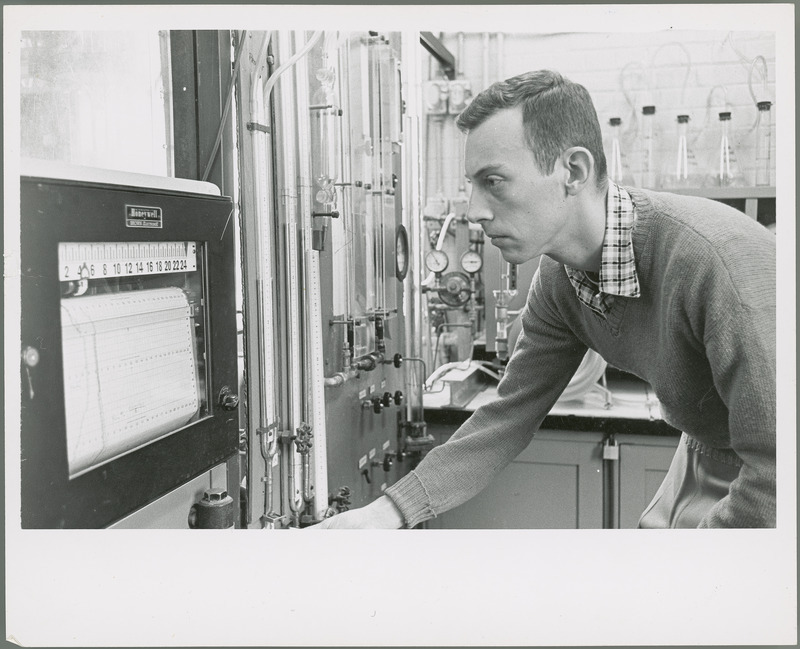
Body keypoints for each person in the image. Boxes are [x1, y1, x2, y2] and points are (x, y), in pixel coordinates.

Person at [313, 69, 776, 529]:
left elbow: (778, 472)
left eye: (493, 181)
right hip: (701, 450)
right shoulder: (560, 279)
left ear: (573, 171)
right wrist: (387, 513)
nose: (473, 211)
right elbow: (509, 415)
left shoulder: (716, 263)